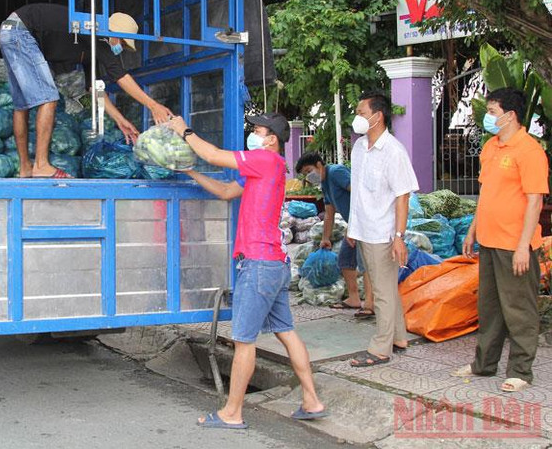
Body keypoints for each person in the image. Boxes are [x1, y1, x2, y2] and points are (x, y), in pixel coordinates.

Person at [165, 112, 326, 429]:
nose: (252, 133)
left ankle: (232, 412)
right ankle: (312, 400)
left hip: (258, 264)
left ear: (271, 140)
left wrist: (183, 129)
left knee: (244, 341)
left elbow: (212, 154)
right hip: (275, 264)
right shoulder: (267, 167)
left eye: (258, 130)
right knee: (286, 332)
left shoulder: (264, 160)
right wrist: (190, 172)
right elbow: (226, 192)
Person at [0, 3, 173, 178]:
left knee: (21, 105)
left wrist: (120, 119)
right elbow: (120, 75)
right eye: (121, 41)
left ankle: (25, 168)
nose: (119, 47)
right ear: (114, 32)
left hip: (10, 31)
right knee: (49, 98)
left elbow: (94, 88)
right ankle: (41, 165)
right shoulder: (96, 33)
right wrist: (152, 105)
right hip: (21, 32)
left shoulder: (90, 44)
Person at [454, 88, 548, 392]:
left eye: (492, 111)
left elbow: (535, 201)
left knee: (519, 309)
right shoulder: (491, 147)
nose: (488, 117)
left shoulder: (529, 150)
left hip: (515, 244)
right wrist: (472, 231)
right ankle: (484, 364)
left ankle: (521, 370)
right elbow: (486, 194)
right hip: (490, 241)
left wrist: (524, 246)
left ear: (510, 115)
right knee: (490, 306)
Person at [347, 92, 418, 367]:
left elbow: (403, 196)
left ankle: (380, 348)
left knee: (382, 291)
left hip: (383, 232)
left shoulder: (394, 151)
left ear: (377, 117)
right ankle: (398, 337)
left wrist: (399, 237)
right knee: (386, 287)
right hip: (364, 228)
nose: (358, 118)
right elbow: (358, 195)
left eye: (362, 113)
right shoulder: (358, 148)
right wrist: (353, 228)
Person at [295, 152, 374, 318]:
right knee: (345, 259)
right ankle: (354, 298)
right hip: (353, 225)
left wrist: (354, 225)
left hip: (365, 222)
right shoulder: (324, 184)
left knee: (364, 262)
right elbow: (329, 213)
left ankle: (370, 304)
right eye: (305, 175)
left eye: (309, 171)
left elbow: (360, 194)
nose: (308, 177)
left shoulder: (336, 172)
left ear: (319, 164)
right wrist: (326, 238)